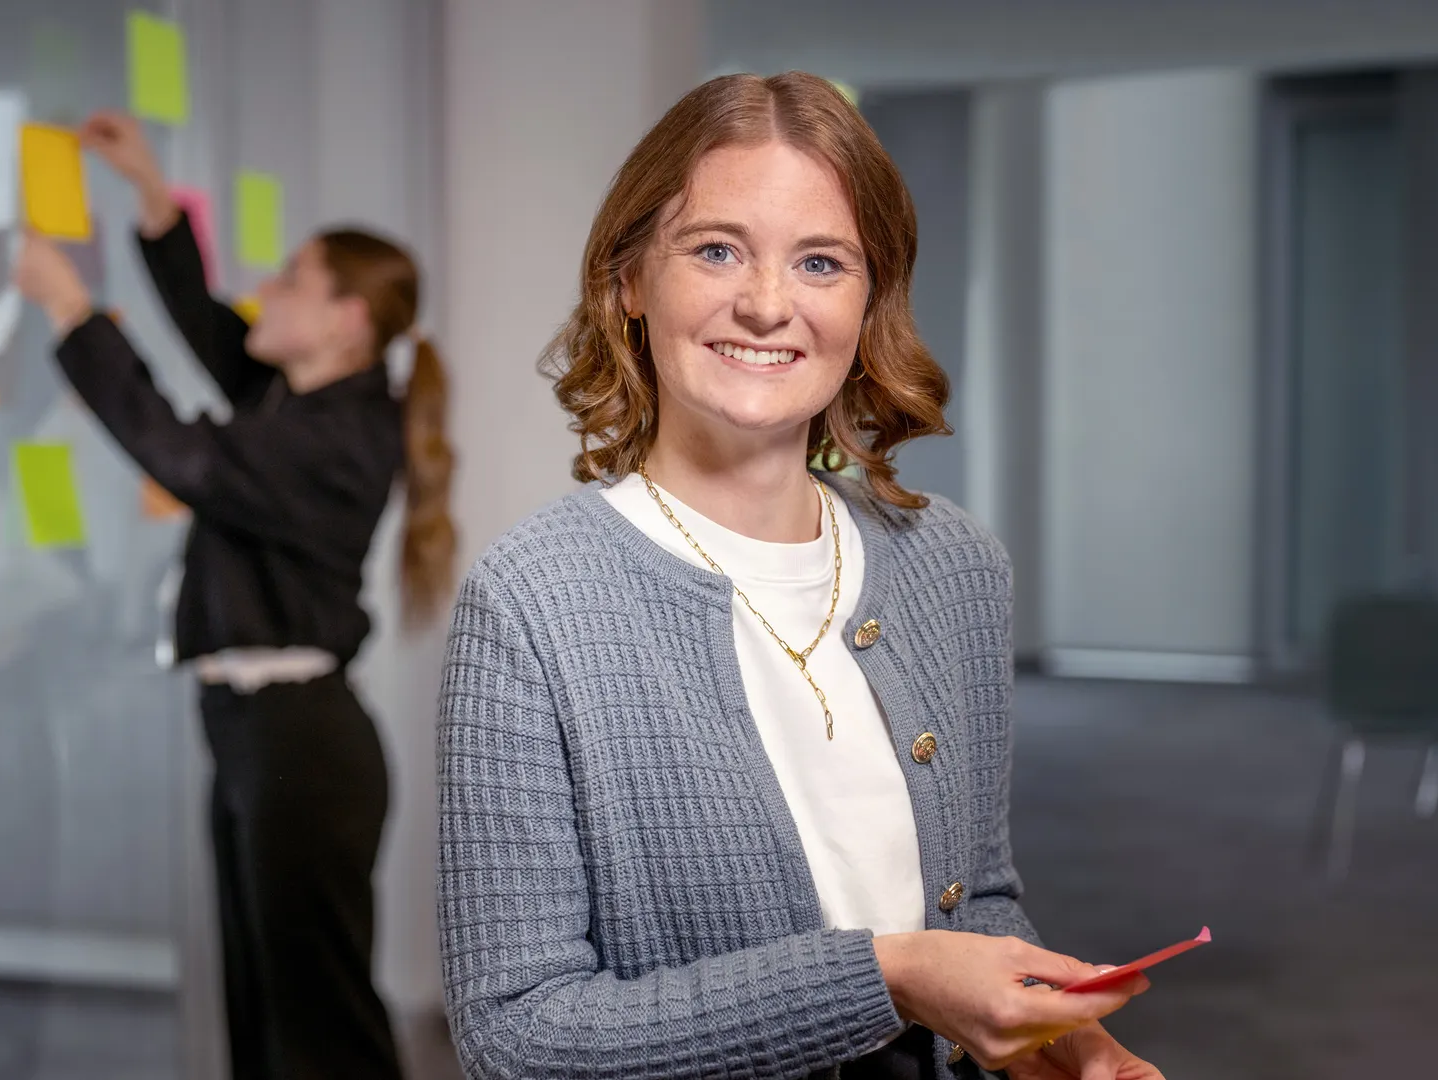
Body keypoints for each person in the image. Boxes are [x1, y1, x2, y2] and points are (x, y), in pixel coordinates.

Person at [435, 72, 1167, 1080]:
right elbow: (516, 1040)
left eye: (821, 262)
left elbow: (977, 902)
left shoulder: (953, 566)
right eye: (717, 249)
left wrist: (1068, 1042)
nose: (768, 304)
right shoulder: (531, 603)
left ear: (870, 305)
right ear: (628, 280)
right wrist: (889, 977)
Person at [14, 110, 455, 1080]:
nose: (265, 293)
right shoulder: (300, 402)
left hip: (303, 747)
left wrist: (68, 313)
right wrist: (151, 195)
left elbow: (180, 451)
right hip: (258, 733)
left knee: (321, 1030)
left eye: (290, 280)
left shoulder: (336, 438)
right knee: (264, 1014)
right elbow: (215, 331)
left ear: (346, 320)